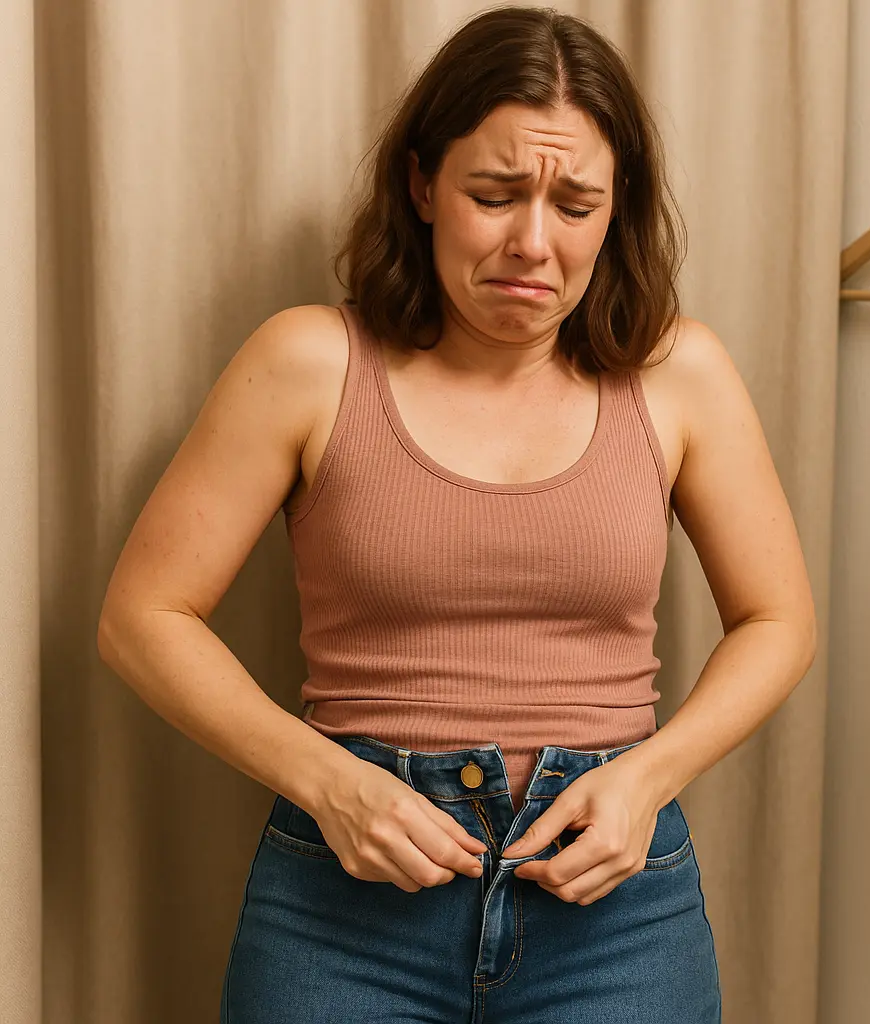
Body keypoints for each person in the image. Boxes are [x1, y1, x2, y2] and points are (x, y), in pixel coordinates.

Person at [98, 6, 816, 1023]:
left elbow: (779, 621)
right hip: (343, 911)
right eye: (494, 193)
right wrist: (327, 781)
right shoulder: (308, 361)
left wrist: (651, 776)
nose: (533, 241)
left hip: (613, 913)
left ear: (617, 212)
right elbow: (143, 615)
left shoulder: (679, 373)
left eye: (575, 204)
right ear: (422, 183)